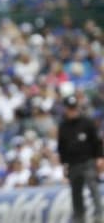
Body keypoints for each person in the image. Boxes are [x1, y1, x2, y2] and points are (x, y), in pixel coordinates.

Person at [57, 95, 104, 223]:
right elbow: (61, 147)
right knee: (76, 193)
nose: (72, 111)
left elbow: (97, 142)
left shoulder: (87, 122)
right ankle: (80, 218)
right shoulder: (63, 126)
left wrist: (100, 157)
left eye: (74, 108)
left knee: (93, 188)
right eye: (70, 108)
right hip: (73, 164)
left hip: (88, 162)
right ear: (66, 109)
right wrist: (64, 164)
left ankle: (99, 216)